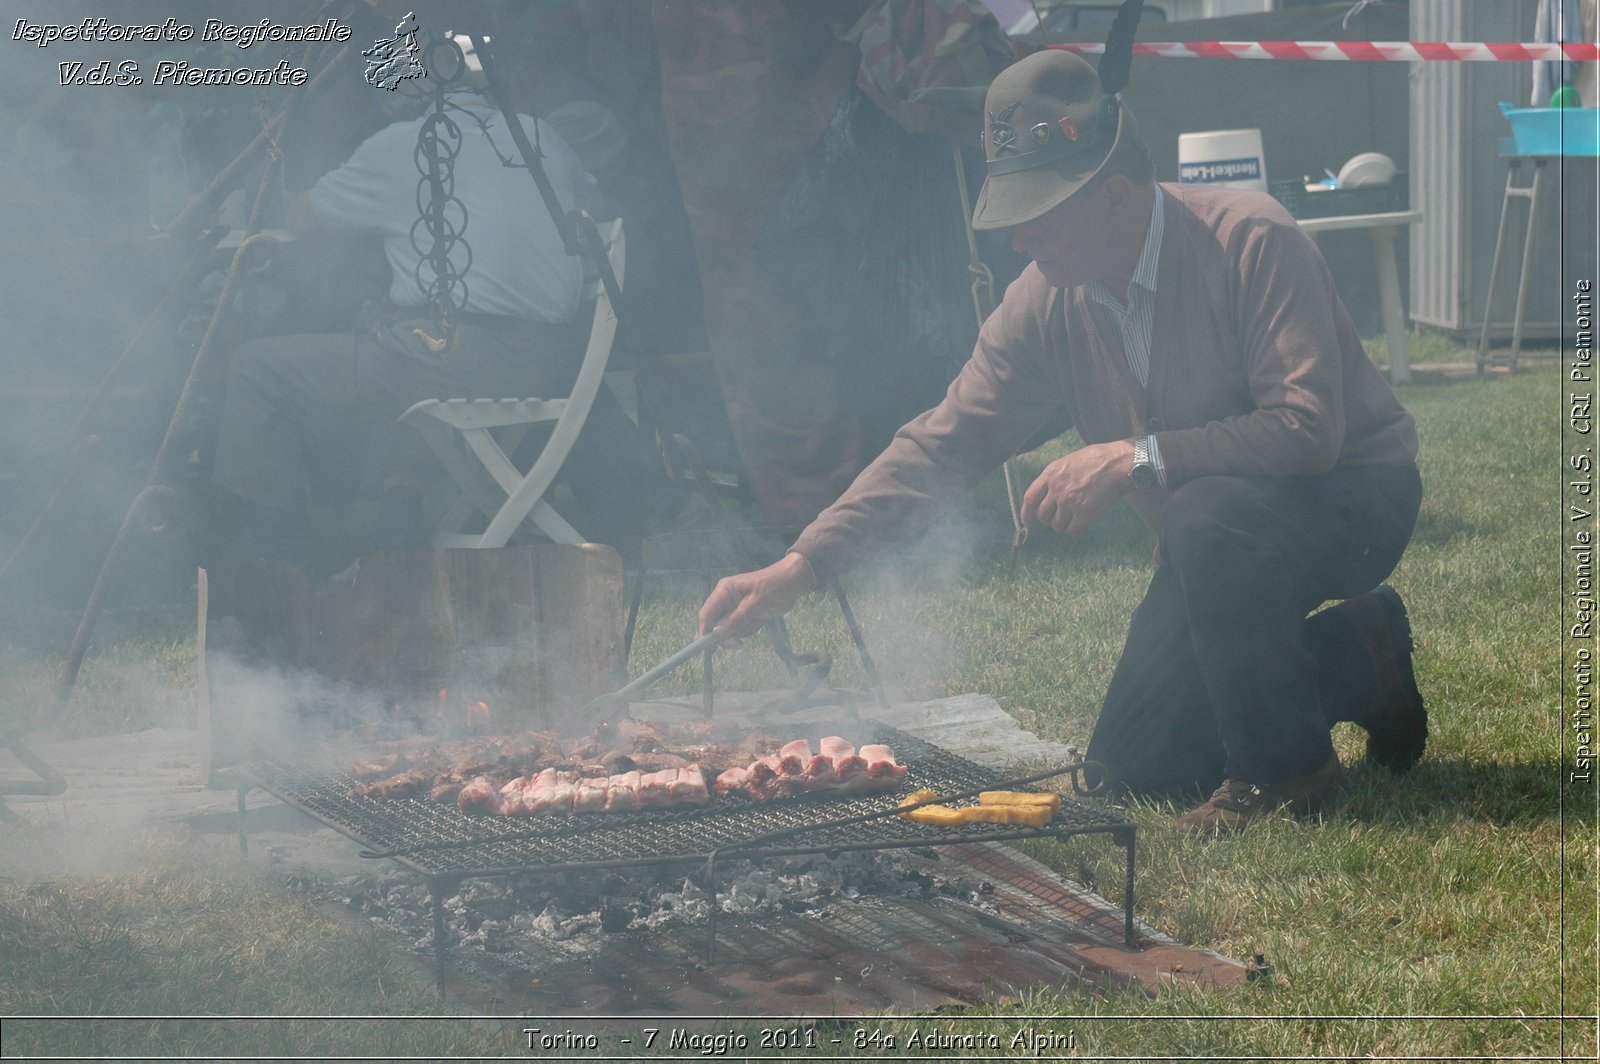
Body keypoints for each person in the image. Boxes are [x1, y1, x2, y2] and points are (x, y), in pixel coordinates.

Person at [697, 50, 1426, 835]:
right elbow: (943, 445)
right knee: (1134, 766)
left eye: (1037, 213)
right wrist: (802, 565)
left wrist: (1137, 456)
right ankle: (1362, 652)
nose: (1019, 240)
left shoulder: (1251, 238)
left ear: (1111, 195)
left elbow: (1307, 431)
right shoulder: (1044, 300)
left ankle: (1286, 775)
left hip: (1351, 496)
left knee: (1202, 513)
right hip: (1214, 542)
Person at [208, 72, 680, 566]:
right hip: (557, 363)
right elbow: (589, 207)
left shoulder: (402, 143)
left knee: (257, 370)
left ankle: (262, 566)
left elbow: (304, 219)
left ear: (398, 105)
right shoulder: (545, 136)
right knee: (395, 353)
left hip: (456, 360)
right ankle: (397, 505)